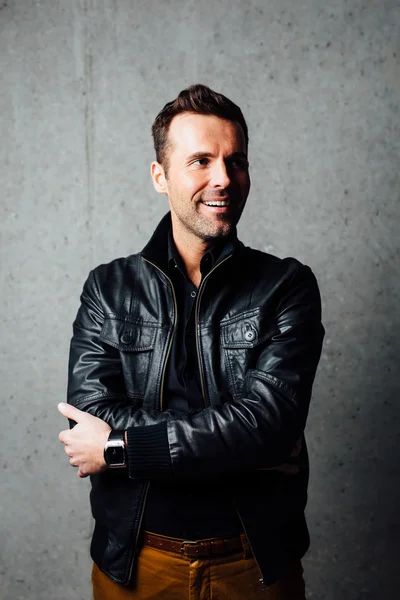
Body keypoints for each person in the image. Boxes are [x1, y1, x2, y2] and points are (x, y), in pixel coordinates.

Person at [58, 83, 324, 599]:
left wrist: (118, 448)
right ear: (160, 175)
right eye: (200, 161)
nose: (224, 179)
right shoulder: (108, 290)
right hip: (137, 565)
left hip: (252, 563)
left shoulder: (286, 286)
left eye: (236, 161)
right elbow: (89, 410)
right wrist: (237, 441)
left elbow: (268, 424)